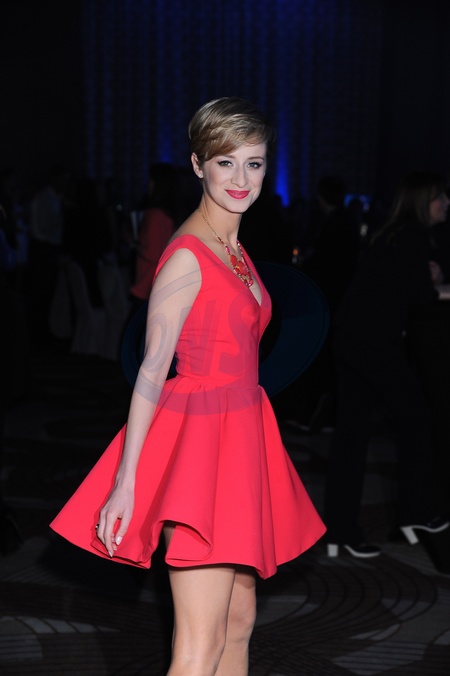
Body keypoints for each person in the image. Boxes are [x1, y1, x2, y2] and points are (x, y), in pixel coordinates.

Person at [50, 97, 326, 675]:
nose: (241, 178)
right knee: (198, 644)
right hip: (203, 444)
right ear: (199, 165)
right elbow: (151, 371)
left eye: (254, 163)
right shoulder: (186, 256)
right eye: (226, 162)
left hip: (241, 435)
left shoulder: (234, 246)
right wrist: (126, 482)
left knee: (238, 622)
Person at [324, 171, 450, 563]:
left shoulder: (392, 233)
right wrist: (438, 284)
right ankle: (416, 514)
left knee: (351, 436)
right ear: (423, 201)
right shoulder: (413, 234)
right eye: (441, 197)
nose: (447, 203)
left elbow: (403, 286)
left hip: (350, 338)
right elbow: (421, 296)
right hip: (373, 344)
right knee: (417, 419)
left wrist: (430, 279)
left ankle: (341, 531)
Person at [130, 163, 181, 308]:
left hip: (148, 283)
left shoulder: (154, 216)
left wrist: (133, 244)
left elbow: (152, 254)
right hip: (161, 282)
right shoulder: (170, 215)